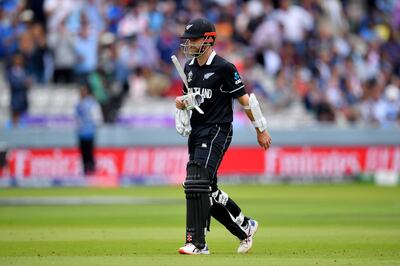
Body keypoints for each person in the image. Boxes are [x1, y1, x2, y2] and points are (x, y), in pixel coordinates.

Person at [175, 18, 272, 255]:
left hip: (218, 129)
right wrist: (181, 104)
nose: (189, 44)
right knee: (207, 190)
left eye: (194, 39)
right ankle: (245, 226)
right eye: (187, 39)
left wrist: (261, 130)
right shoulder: (188, 68)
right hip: (198, 131)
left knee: (196, 182)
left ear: (208, 40)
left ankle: (197, 243)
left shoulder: (224, 68)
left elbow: (245, 100)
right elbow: (191, 100)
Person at [75, 83, 103, 175]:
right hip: (81, 132)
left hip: (90, 131)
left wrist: (95, 125)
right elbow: (76, 118)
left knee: (89, 151)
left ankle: (91, 169)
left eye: (84, 91)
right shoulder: (78, 104)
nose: (82, 93)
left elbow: (97, 117)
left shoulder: (91, 103)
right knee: (83, 152)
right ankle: (85, 170)